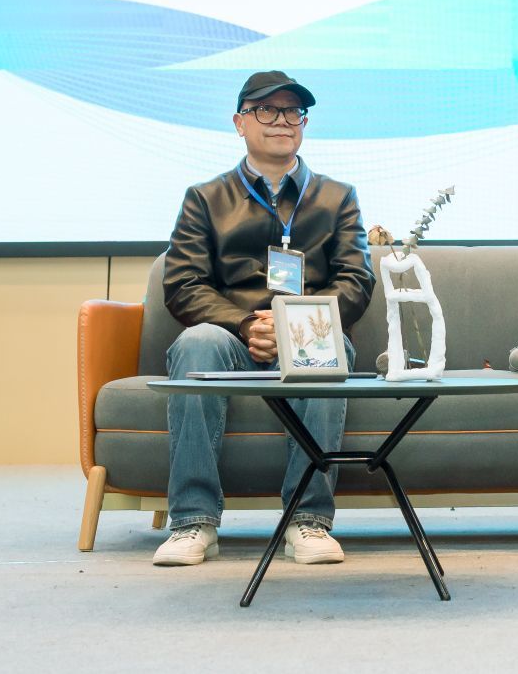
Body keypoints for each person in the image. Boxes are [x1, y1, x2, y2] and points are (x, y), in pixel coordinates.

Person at [152, 70, 375, 567]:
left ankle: (307, 519)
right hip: (230, 335)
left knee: (328, 346)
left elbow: (356, 280)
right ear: (240, 123)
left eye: (293, 111)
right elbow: (183, 283)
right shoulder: (205, 198)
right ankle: (193, 522)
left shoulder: (337, 197)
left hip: (308, 331)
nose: (281, 120)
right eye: (266, 110)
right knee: (195, 344)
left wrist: (294, 327)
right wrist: (245, 324)